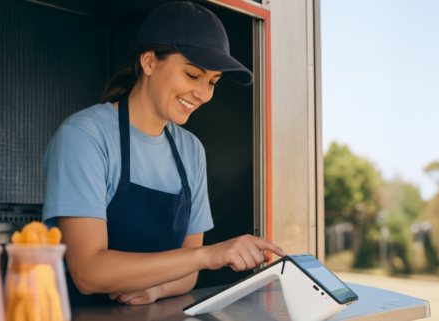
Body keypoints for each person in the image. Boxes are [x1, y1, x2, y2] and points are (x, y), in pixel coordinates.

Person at [42, 2, 286, 306]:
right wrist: (208, 255)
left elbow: (188, 274)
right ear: (148, 62)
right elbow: (88, 271)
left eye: (212, 82)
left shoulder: (191, 151)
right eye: (192, 74)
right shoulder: (85, 136)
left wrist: (157, 289)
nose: (203, 93)